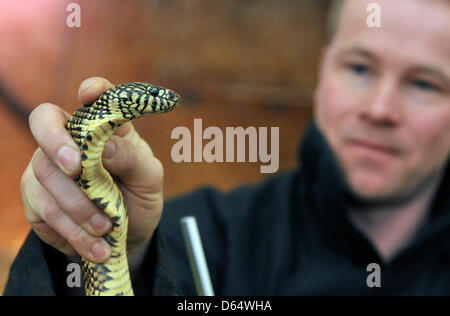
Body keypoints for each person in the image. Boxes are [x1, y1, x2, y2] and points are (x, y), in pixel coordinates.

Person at [4, 0, 450, 295]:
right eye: (359, 68)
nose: (379, 108)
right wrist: (81, 248)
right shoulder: (200, 233)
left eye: (424, 83)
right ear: (324, 70)